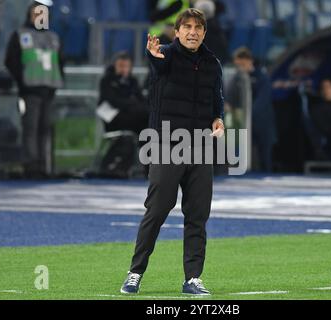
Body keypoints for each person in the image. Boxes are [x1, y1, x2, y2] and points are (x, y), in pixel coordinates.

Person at [120, 8, 225, 296]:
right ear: (177, 31)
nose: (193, 32)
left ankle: (193, 278)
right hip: (167, 145)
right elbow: (157, 66)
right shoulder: (164, 56)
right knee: (157, 210)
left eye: (198, 27)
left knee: (198, 215)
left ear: (204, 32)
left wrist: (218, 119)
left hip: (201, 149)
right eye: (187, 27)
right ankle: (135, 273)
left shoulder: (213, 63)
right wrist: (153, 57)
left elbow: (216, 101)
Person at [4, 0, 64, 178]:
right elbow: (11, 60)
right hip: (30, 90)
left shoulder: (53, 37)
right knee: (30, 129)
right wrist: (22, 81)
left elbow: (60, 62)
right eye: (36, 14)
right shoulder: (20, 35)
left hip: (49, 90)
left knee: (45, 129)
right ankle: (30, 166)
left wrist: (57, 81)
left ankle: (43, 166)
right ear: (30, 15)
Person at [227, 47, 277, 172]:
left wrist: (248, 115)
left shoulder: (262, 77)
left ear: (250, 61)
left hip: (262, 124)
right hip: (243, 125)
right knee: (242, 155)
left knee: (264, 156)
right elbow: (229, 96)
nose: (240, 68)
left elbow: (262, 101)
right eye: (237, 65)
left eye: (242, 64)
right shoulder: (236, 79)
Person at [98, 51, 148, 135]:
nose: (124, 69)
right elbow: (112, 100)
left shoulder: (132, 81)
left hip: (130, 114)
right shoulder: (107, 80)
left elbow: (141, 99)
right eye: (121, 66)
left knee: (147, 115)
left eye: (126, 66)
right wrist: (132, 103)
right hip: (112, 117)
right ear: (115, 66)